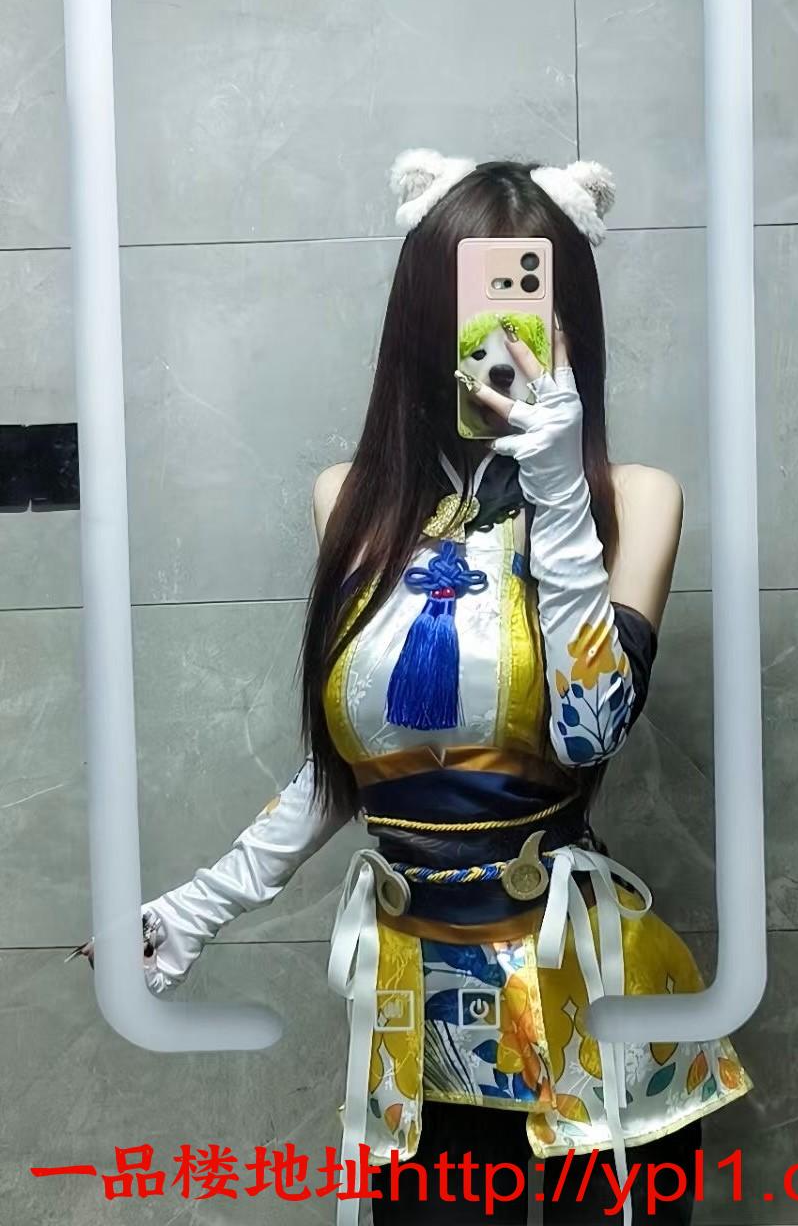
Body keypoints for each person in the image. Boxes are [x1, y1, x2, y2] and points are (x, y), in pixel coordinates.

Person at [72, 150, 753, 1225]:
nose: (497, 338)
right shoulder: (351, 502)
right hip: (416, 1001)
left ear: (570, 319)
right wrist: (194, 909)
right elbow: (350, 767)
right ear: (420, 321)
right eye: (465, 303)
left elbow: (587, 731)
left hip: (585, 981)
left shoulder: (636, 500)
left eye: (527, 303)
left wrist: (559, 493)